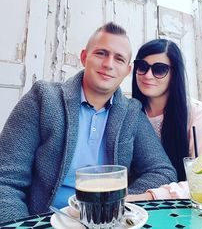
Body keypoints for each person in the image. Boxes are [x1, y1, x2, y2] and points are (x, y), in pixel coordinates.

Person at [0, 23, 177, 222]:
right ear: (84, 57)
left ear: (127, 71)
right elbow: (5, 180)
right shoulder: (43, 98)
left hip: (108, 223)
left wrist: (119, 203)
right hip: (46, 221)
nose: (109, 64)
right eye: (101, 53)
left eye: (119, 59)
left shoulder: (132, 113)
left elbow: (162, 171)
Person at [128, 38, 202, 201]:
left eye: (159, 69)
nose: (148, 75)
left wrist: (147, 196)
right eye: (142, 66)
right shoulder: (128, 113)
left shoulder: (196, 113)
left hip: (185, 209)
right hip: (132, 210)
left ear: (174, 73)